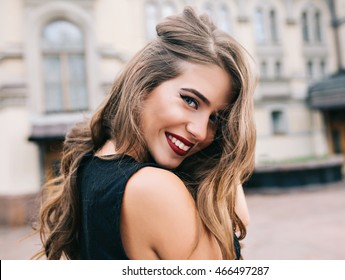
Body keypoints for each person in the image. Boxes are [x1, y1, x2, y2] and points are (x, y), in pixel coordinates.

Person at [34, 6, 256, 260]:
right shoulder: (154, 188)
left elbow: (241, 221)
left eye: (216, 118)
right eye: (190, 101)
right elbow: (239, 225)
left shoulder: (90, 164)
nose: (200, 131)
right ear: (143, 83)